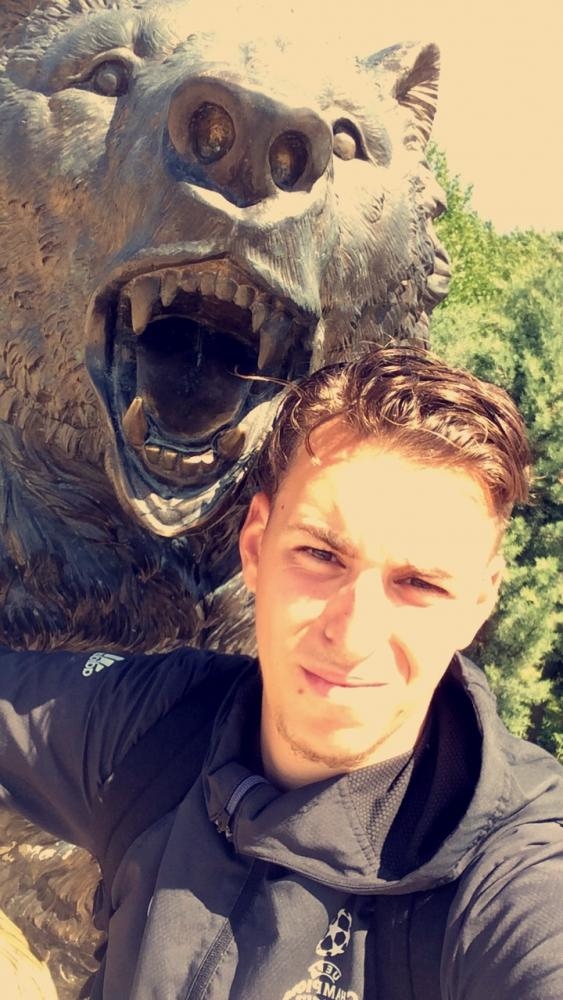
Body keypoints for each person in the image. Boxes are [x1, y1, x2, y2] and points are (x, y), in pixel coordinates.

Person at [0, 345, 562, 1000]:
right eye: (320, 554)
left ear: (478, 604)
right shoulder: (155, 730)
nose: (352, 636)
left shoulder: (511, 868)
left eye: (420, 584)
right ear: (255, 547)